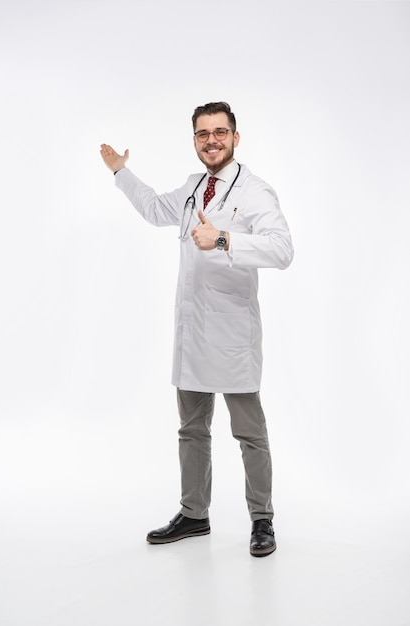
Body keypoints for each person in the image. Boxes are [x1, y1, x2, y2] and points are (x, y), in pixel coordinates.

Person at [100, 102, 293, 557]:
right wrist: (120, 172)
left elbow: (283, 250)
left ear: (235, 137)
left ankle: (262, 519)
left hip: (232, 335)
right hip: (192, 331)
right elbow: (152, 208)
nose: (212, 140)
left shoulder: (255, 192)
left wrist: (224, 238)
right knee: (191, 429)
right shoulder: (193, 188)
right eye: (203, 133)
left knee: (249, 432)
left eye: (220, 132)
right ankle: (194, 514)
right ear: (194, 140)